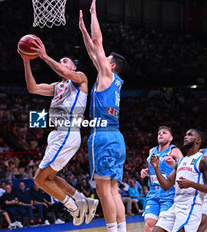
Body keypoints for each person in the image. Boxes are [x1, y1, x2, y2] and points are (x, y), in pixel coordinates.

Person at [18, 29, 98, 226]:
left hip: (68, 132)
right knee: (51, 177)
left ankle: (73, 207)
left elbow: (64, 72)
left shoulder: (80, 78)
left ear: (73, 66)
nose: (62, 64)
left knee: (39, 179)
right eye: (61, 61)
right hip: (57, 135)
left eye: (65, 61)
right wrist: (27, 62)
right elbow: (33, 88)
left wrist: (44, 56)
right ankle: (83, 199)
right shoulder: (57, 86)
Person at [79, 0, 127, 231]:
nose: (101, 58)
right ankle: (122, 229)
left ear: (112, 65)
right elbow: (92, 49)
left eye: (106, 58)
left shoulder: (106, 75)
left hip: (103, 136)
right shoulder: (113, 81)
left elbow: (97, 43)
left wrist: (93, 15)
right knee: (113, 189)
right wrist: (82, 31)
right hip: (117, 137)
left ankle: (111, 230)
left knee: (102, 189)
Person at [151, 129, 207, 232]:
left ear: (198, 140)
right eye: (185, 135)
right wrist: (156, 168)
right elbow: (166, 185)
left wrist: (191, 184)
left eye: (190, 135)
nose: (185, 137)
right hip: (176, 204)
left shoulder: (203, 160)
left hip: (191, 206)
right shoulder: (180, 161)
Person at [141, 126, 183, 232]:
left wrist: (174, 164)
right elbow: (154, 168)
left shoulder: (174, 151)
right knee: (148, 225)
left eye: (164, 133)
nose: (160, 134)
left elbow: (184, 168)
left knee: (162, 226)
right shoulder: (152, 151)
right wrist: (146, 171)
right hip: (153, 192)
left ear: (171, 138)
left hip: (169, 193)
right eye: (159, 133)